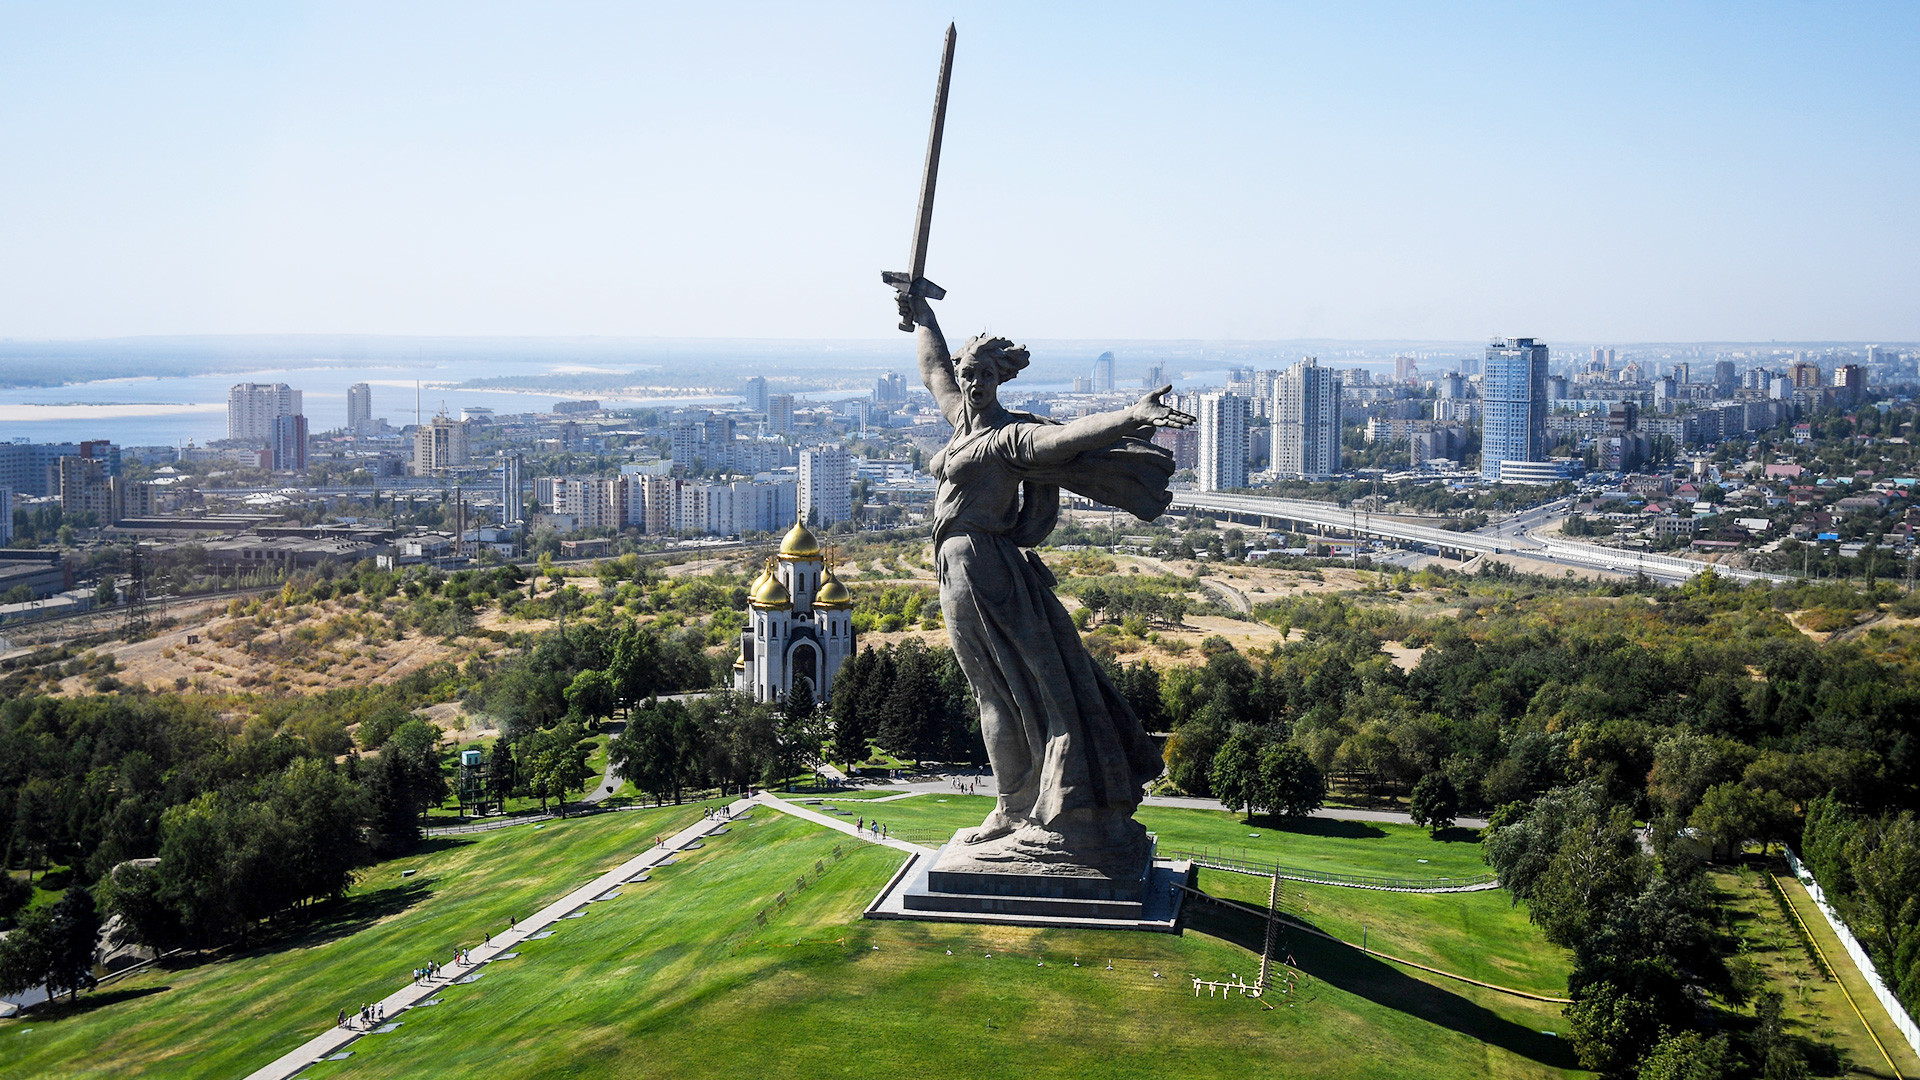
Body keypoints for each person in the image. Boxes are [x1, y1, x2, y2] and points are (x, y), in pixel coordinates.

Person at [905, 292, 1190, 864]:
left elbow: (1068, 439)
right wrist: (924, 315)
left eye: (985, 374)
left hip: (986, 570)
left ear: (999, 379)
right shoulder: (961, 420)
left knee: (1038, 688)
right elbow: (934, 368)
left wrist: (1132, 416)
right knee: (994, 691)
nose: (973, 382)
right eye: (969, 374)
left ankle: (1060, 806)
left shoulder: (1008, 439)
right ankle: (1012, 805)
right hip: (956, 569)